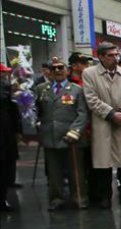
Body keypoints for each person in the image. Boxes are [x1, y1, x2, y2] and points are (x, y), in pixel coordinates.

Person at [82, 41, 121, 209]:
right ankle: (104, 197)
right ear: (100, 56)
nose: (115, 58)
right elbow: (91, 98)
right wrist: (110, 113)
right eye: (110, 56)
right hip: (103, 122)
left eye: (116, 55)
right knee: (103, 162)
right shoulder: (89, 73)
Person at [35, 58, 89, 210]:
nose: (57, 71)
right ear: (49, 73)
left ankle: (79, 198)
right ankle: (56, 199)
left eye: (61, 68)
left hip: (72, 137)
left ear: (67, 71)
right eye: (54, 69)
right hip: (50, 136)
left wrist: (75, 131)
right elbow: (36, 110)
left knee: (76, 171)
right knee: (53, 172)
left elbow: (83, 113)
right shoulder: (41, 89)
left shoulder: (77, 90)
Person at [1, 63, 22, 211]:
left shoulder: (8, 90)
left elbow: (14, 113)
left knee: (6, 165)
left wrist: (18, 131)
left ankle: (2, 199)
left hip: (7, 133)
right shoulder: (5, 90)